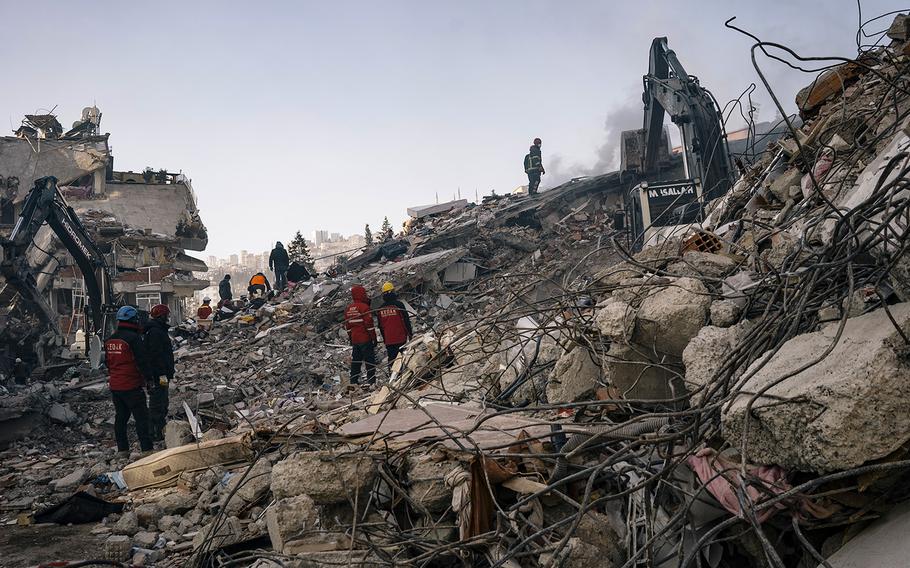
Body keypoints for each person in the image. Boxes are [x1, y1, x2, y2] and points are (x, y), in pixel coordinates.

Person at [105, 305, 153, 456]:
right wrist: (149, 380)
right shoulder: (133, 339)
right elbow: (142, 361)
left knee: (121, 418)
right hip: (131, 385)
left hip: (116, 385)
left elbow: (108, 363)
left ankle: (123, 450)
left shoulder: (110, 340)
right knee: (141, 418)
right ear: (134, 319)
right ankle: (146, 449)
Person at [144, 304, 175, 443]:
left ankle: (158, 431)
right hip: (159, 376)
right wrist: (162, 374)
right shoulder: (156, 332)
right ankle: (155, 433)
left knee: (162, 401)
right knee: (158, 402)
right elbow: (156, 356)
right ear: (161, 316)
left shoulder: (156, 330)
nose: (167, 318)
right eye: (166, 316)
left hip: (161, 375)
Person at [344, 284, 377, 385]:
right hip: (365, 339)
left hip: (355, 340)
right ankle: (371, 381)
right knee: (369, 360)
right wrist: (374, 338)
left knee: (356, 361)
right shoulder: (364, 307)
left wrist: (351, 339)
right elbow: (369, 325)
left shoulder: (349, 309)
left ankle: (353, 381)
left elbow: (348, 327)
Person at [376, 281, 412, 365]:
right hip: (400, 337)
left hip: (389, 340)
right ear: (392, 292)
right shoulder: (399, 305)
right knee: (402, 358)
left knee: (392, 359)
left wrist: (385, 339)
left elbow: (380, 326)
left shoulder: (380, 309)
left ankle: (392, 376)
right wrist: (410, 334)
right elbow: (406, 321)